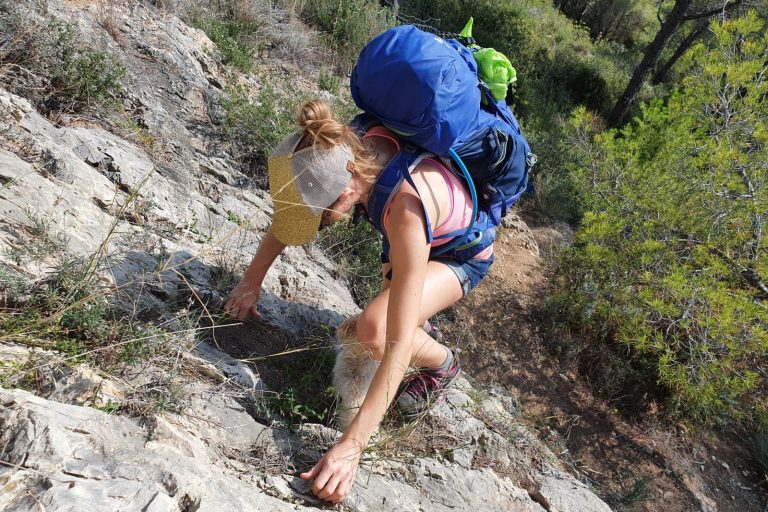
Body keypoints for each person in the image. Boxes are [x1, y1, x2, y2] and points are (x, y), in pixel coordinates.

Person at [224, 100, 494, 503]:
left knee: (375, 331)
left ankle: (442, 363)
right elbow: (296, 211)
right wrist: (251, 280)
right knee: (389, 318)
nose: (316, 225)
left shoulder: (402, 206)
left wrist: (350, 448)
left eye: (321, 216)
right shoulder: (337, 150)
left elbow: (397, 346)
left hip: (457, 254)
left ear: (348, 191)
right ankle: (417, 316)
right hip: (420, 235)